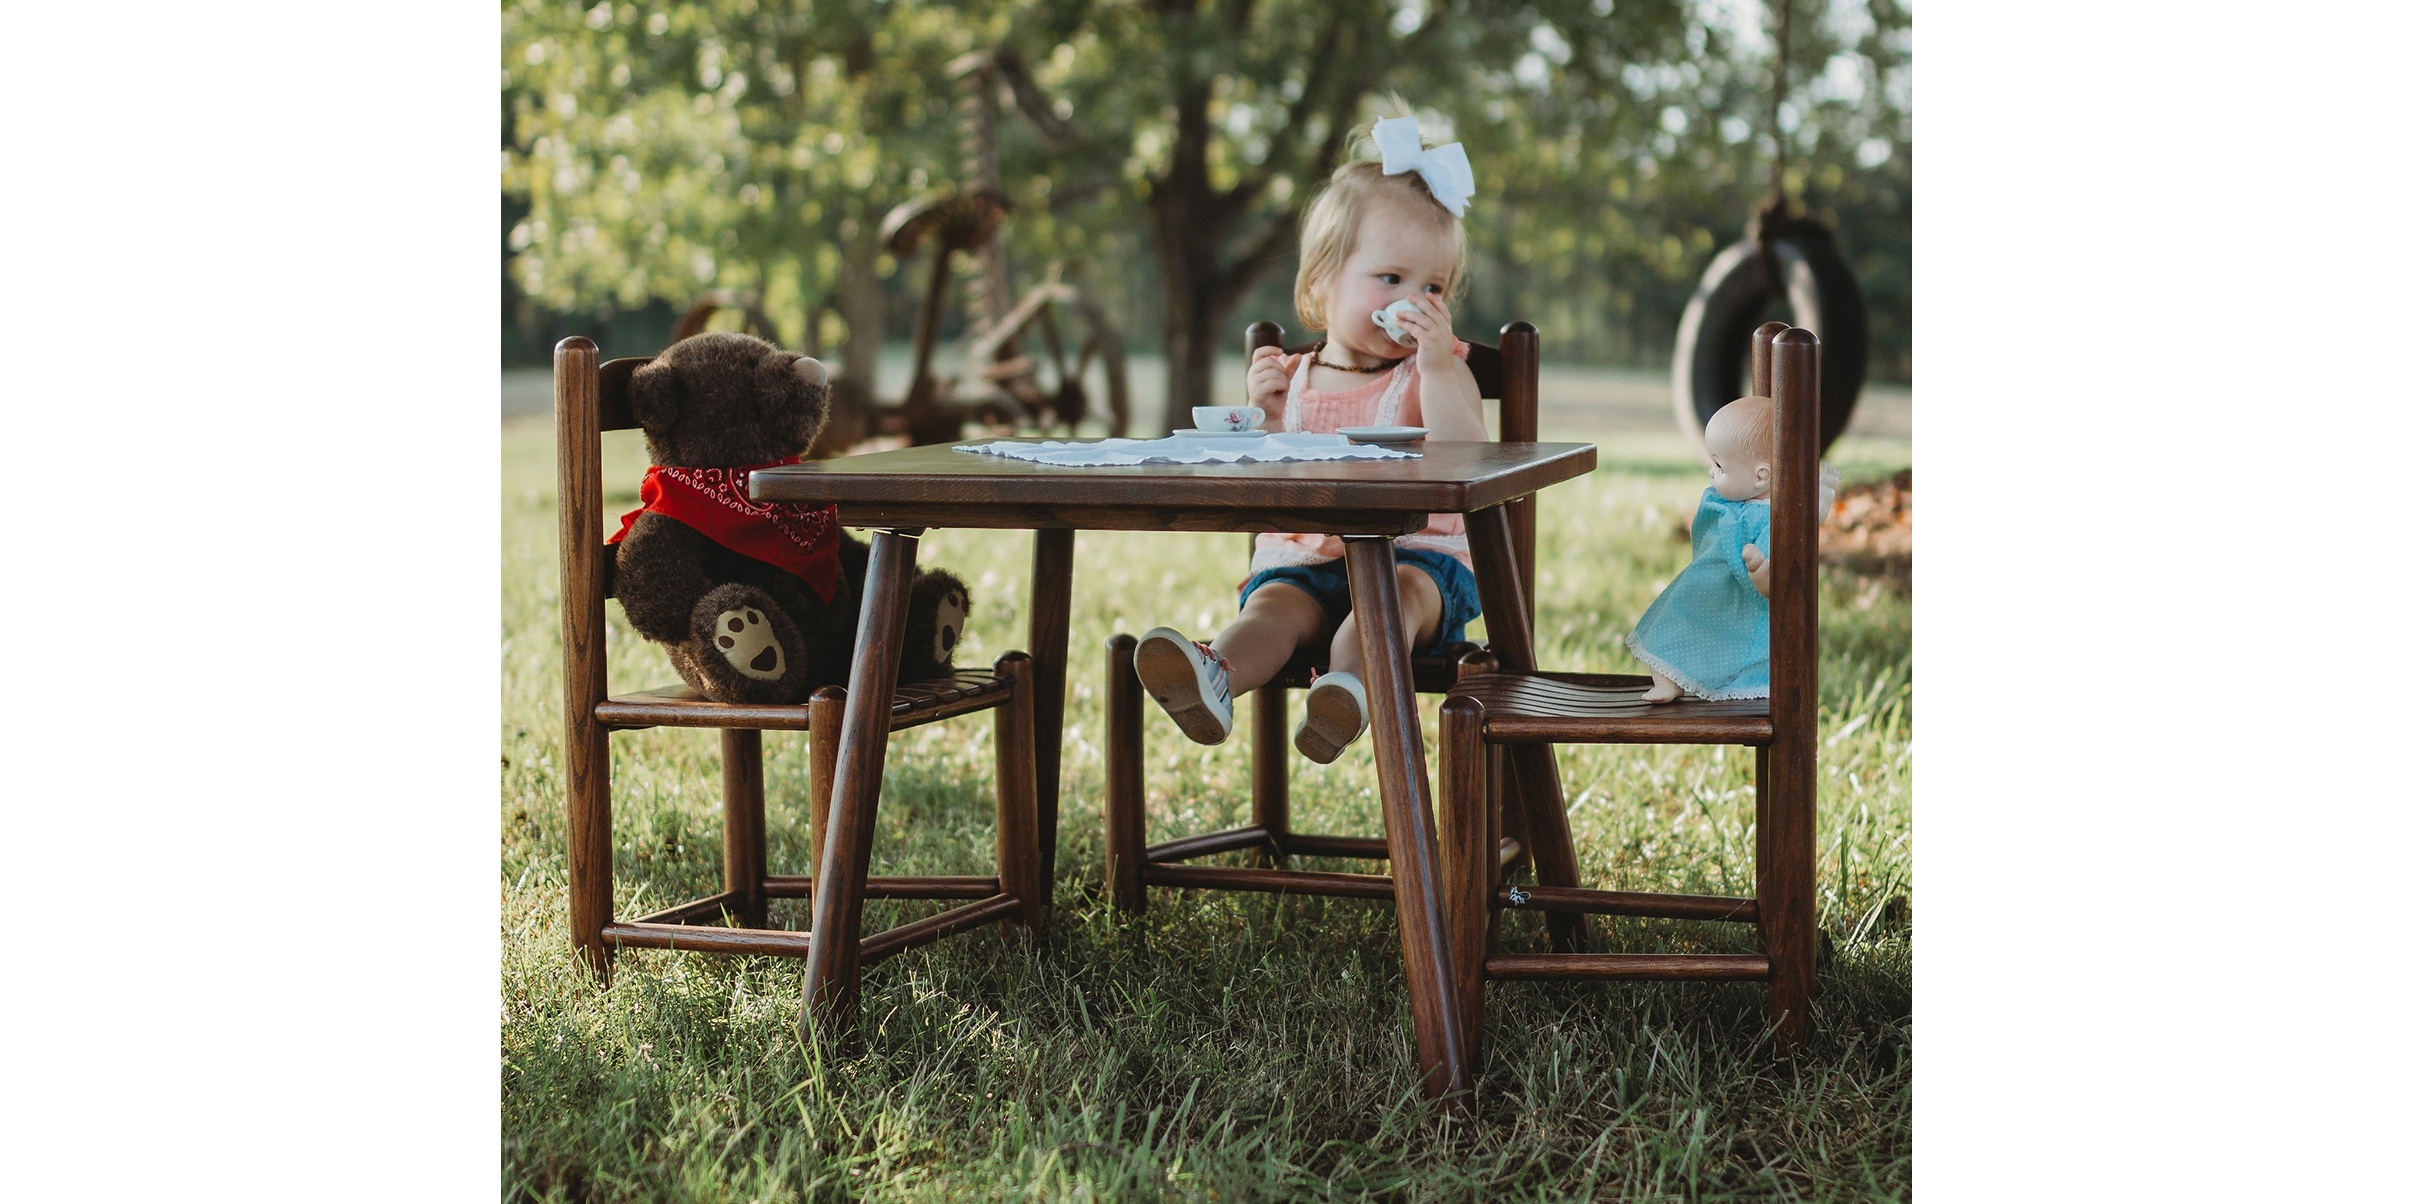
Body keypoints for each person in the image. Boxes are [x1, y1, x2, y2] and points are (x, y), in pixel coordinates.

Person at [1133, 113, 1486, 763]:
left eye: (1432, 287)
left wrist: (1438, 366)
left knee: (1386, 603)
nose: (1411, 302)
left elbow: (1467, 454)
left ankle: (1349, 690)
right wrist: (1263, 417)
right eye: (1390, 279)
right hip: (1303, 560)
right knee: (1270, 606)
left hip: (1417, 563)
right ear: (1321, 285)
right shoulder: (1291, 377)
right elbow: (1256, 476)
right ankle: (1216, 676)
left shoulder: (1435, 369)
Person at [1625, 394, 1836, 702]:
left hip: (1734, 599)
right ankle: (1668, 681)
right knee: (1671, 624)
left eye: (1720, 466)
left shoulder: (1770, 518)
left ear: (1760, 476)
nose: (1712, 473)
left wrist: (1762, 570)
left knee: (1688, 627)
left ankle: (1701, 681)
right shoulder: (1733, 502)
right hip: (1705, 590)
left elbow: (1783, 564)